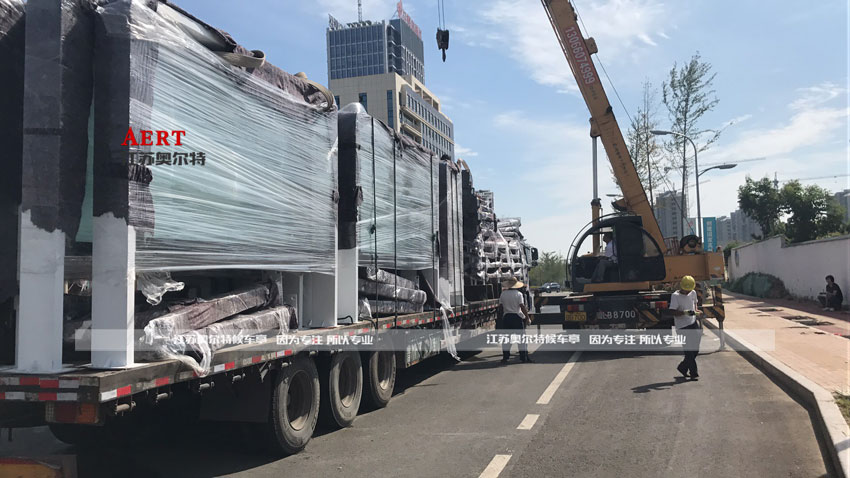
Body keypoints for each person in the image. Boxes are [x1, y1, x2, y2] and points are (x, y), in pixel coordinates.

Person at [671, 275, 700, 380]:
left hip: (693, 323)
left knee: (695, 350)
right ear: (681, 286)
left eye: (689, 290)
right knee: (689, 350)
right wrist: (684, 313)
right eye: (685, 290)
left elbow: (694, 304)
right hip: (682, 326)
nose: (687, 292)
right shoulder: (675, 296)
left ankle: (683, 367)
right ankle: (693, 373)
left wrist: (696, 311)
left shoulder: (693, 293)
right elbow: (672, 311)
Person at [499, 277, 533, 363]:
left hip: (507, 317)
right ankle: (523, 357)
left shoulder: (503, 294)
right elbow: (522, 306)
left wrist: (501, 318)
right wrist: (527, 317)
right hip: (517, 317)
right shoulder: (518, 294)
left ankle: (505, 357)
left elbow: (500, 307)